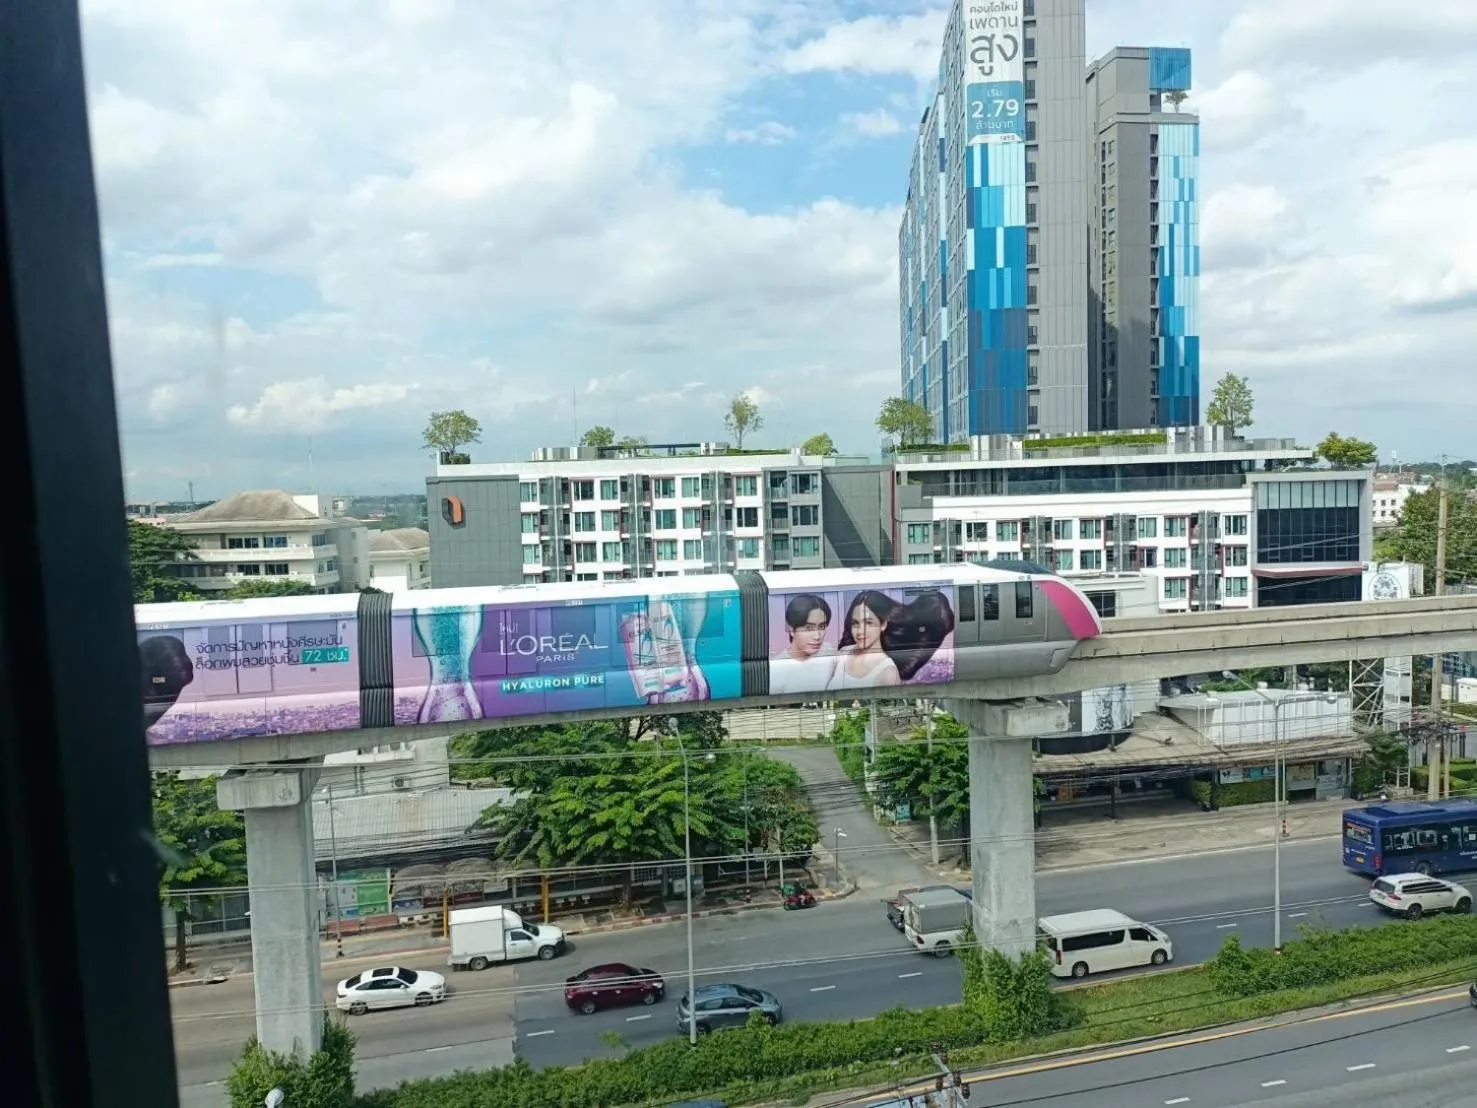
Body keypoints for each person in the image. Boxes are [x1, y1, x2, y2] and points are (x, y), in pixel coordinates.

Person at [828, 591, 902, 691]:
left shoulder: (888, 673)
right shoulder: (844, 653)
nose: (860, 631)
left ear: (883, 624)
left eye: (868, 623)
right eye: (855, 623)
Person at [770, 593, 836, 696]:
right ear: (791, 629)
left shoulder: (828, 651)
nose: (817, 636)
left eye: (822, 626)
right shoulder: (776, 669)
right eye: (808, 628)